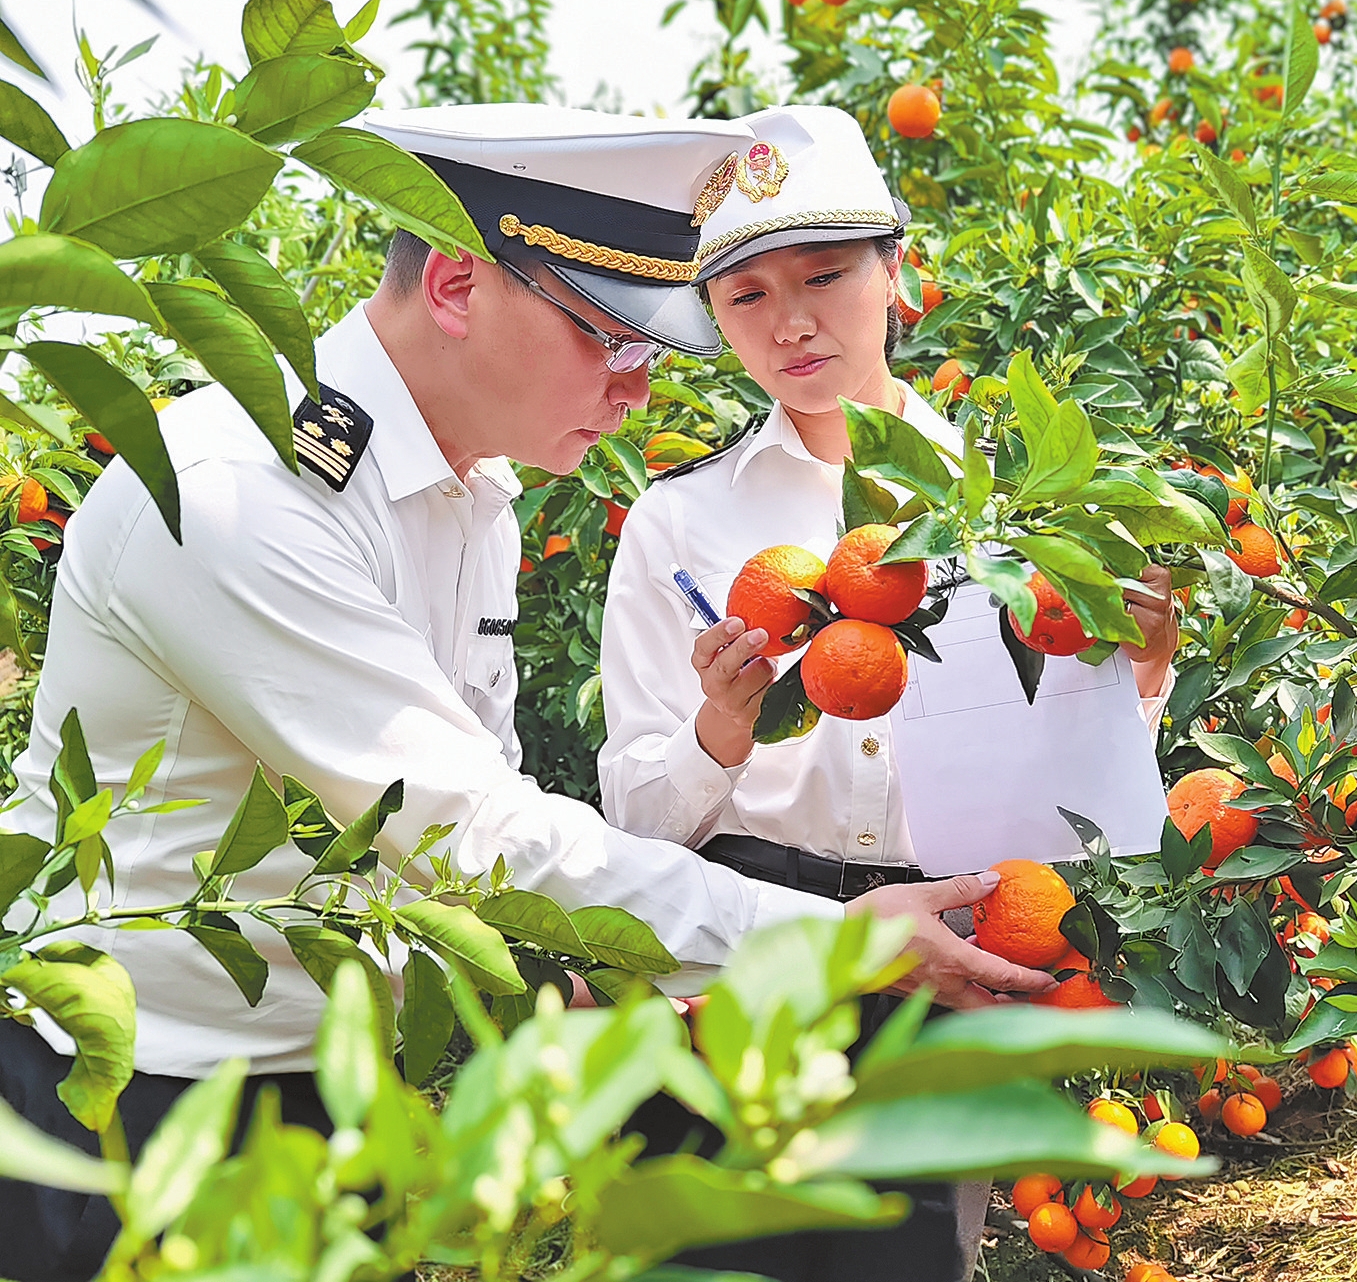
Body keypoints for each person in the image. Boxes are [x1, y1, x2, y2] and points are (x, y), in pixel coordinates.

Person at [0, 104, 1053, 1282]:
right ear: (457, 284)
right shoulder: (236, 494)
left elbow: (475, 807)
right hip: (131, 1099)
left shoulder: (475, 502)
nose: (638, 388)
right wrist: (819, 944)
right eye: (611, 336)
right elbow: (466, 834)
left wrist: (611, 965)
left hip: (332, 1083)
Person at [597, 106, 1179, 1282]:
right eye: (746, 296)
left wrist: (1144, 671)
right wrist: (721, 725)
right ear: (711, 317)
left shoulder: (1017, 502)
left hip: (947, 941)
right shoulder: (679, 521)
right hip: (743, 948)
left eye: (823, 277)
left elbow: (1082, 784)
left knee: (907, 1257)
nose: (791, 322)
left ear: (894, 274)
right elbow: (634, 829)